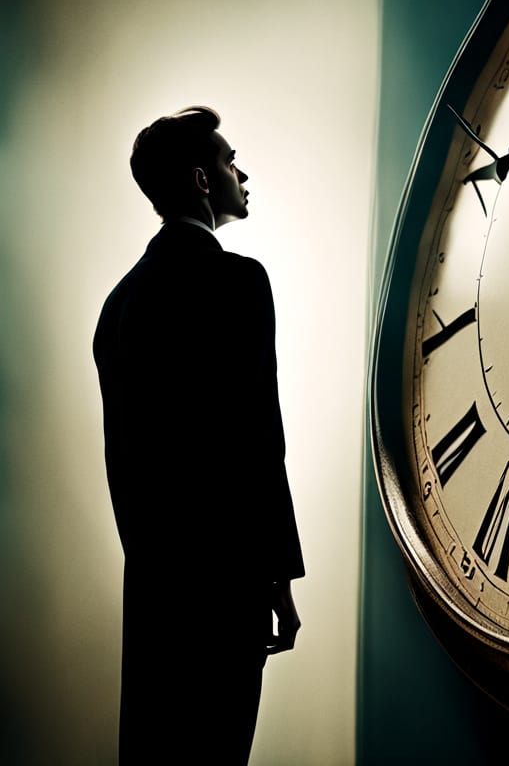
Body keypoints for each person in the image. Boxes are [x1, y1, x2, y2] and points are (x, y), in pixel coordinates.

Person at [93, 105, 304, 763]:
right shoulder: (237, 282)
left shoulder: (120, 304)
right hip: (225, 584)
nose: (241, 171)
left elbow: (123, 464)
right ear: (202, 181)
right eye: (227, 159)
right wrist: (279, 575)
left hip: (155, 589)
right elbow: (258, 438)